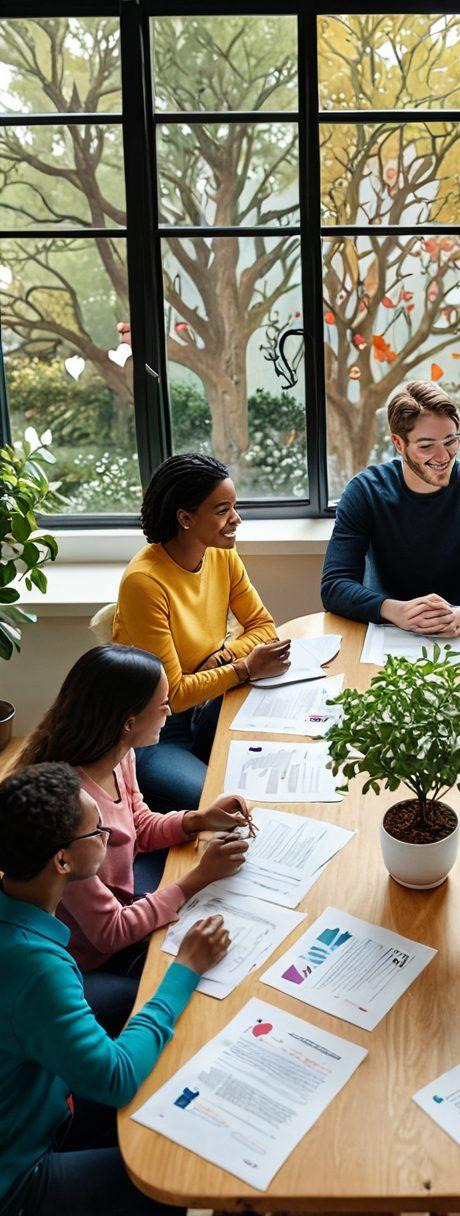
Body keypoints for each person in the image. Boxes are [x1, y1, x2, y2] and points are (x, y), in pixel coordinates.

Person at [0, 760, 232, 1216]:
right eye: (98, 830)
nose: (111, 832)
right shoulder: (34, 967)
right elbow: (118, 1079)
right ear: (61, 860)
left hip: (39, 1097)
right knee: (173, 1173)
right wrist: (184, 969)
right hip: (18, 1177)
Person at [17, 644, 250, 1035]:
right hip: (87, 956)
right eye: (161, 703)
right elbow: (109, 933)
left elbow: (137, 825)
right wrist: (199, 877)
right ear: (127, 721)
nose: (170, 710)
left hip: (121, 904)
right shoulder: (70, 810)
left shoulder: (120, 754)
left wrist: (197, 819)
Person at [113, 452, 291, 812]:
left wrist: (223, 657)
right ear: (185, 518)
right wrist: (243, 668)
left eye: (234, 507)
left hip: (210, 704)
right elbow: (174, 695)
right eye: (222, 509)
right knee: (228, 808)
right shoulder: (144, 582)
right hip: (154, 733)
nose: (236, 519)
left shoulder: (221, 554)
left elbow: (263, 626)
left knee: (278, 772)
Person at [321, 381, 460, 636]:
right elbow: (334, 586)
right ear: (399, 444)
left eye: (450, 441)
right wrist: (395, 611)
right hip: (387, 631)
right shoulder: (364, 492)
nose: (443, 456)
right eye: (426, 446)